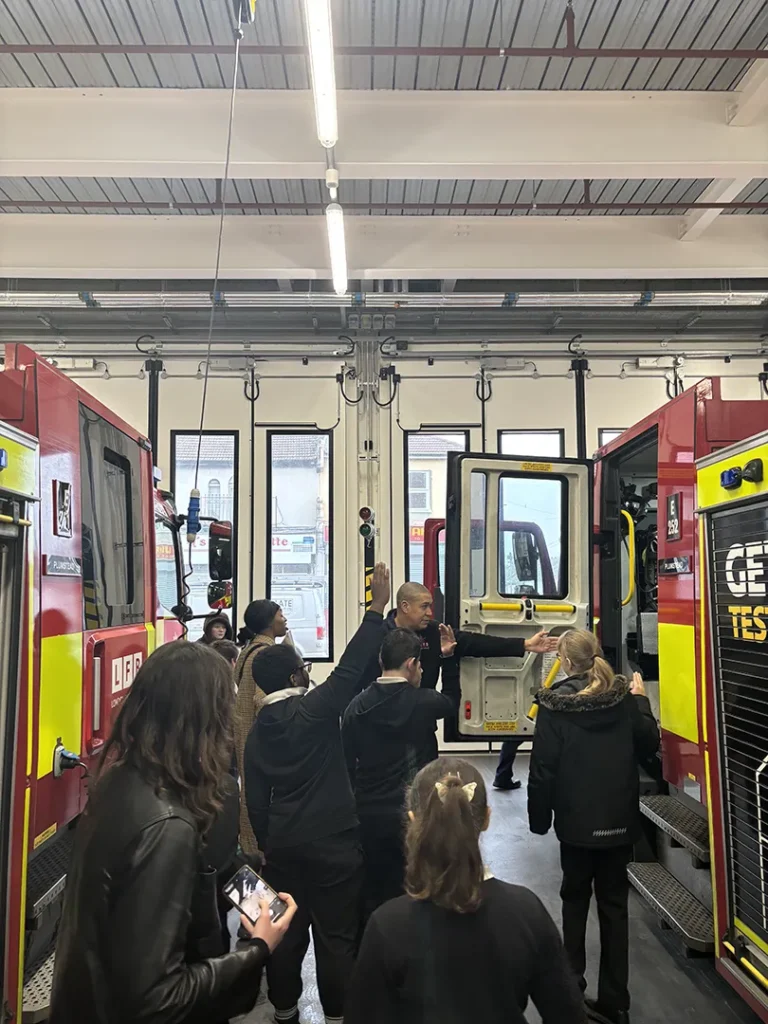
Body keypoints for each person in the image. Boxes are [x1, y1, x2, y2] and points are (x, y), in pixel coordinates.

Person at [49, 641, 298, 1024]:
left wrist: (249, 885)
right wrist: (258, 947)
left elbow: (200, 867)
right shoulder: (167, 827)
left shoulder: (120, 780)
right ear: (206, 720)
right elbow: (157, 999)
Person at [244, 563, 391, 1024]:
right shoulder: (315, 712)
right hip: (335, 846)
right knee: (337, 938)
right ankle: (336, 1016)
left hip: (283, 850)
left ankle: (285, 1011)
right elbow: (350, 668)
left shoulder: (256, 734)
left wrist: (269, 844)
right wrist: (375, 609)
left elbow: (254, 799)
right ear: (293, 679)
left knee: (285, 936)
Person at [345, 757, 586, 1024]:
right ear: (486, 819)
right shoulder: (527, 911)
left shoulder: (387, 925)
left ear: (413, 820)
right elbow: (568, 1015)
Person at [527, 629, 660, 1024]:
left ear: (564, 663)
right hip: (620, 822)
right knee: (615, 910)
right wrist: (642, 702)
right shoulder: (624, 700)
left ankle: (571, 994)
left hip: (575, 825)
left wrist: (539, 820)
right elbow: (649, 745)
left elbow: (542, 771)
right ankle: (616, 1003)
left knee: (574, 901)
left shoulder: (556, 706)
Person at [361, 581, 557, 762]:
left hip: (422, 727)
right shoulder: (379, 637)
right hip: (383, 731)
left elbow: (473, 642)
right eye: (424, 606)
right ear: (405, 607)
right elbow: (362, 681)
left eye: (430, 606)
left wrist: (524, 645)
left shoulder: (433, 631)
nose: (430, 612)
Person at [343, 627, 454, 914]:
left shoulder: (356, 707)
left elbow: (347, 763)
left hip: (370, 814)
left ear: (382, 661)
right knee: (419, 886)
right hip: (415, 811)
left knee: (375, 890)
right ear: (411, 664)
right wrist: (448, 659)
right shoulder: (426, 703)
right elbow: (451, 702)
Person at [233, 599, 291, 856]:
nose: (284, 618)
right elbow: (262, 700)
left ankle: (249, 847)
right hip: (261, 740)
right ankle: (260, 852)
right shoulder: (266, 654)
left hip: (244, 736)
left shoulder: (248, 649)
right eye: (280, 614)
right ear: (269, 621)